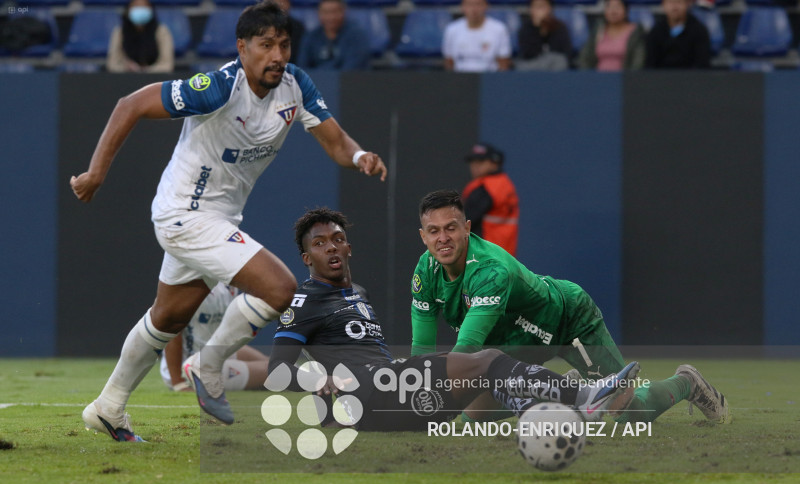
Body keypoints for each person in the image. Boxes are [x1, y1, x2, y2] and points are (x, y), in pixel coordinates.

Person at [72, 1, 387, 442]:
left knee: (166, 319)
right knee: (280, 289)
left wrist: (358, 156)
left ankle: (107, 407)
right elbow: (131, 103)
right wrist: (96, 173)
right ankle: (209, 363)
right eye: (266, 45)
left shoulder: (295, 86)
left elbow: (335, 143)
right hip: (185, 213)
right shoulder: (218, 87)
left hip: (216, 217)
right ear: (243, 47)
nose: (277, 55)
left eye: (284, 44)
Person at [268, 207, 640, 431]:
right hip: (374, 393)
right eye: (319, 243)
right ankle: (585, 397)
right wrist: (319, 380)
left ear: (349, 246)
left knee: (484, 376)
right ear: (306, 258)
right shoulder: (305, 299)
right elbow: (276, 373)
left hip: (388, 387)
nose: (331, 247)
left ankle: (551, 407)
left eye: (337, 239)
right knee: (486, 360)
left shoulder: (355, 294)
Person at [410, 190, 730, 425]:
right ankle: (569, 390)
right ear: (424, 237)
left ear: (467, 227)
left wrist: (421, 399)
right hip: (514, 348)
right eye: (434, 231)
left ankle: (687, 382)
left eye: (451, 227)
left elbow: (466, 350)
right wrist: (411, 394)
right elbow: (421, 350)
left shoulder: (490, 270)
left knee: (626, 413)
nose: (443, 238)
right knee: (467, 420)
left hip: (568, 323)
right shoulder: (426, 271)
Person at [160, 283, 270, 392]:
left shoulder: (229, 282)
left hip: (215, 350)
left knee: (274, 363)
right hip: (194, 367)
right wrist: (178, 383)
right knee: (275, 371)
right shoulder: (190, 282)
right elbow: (172, 329)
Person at [461, 143, 518, 256]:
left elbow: (464, 220)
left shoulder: (485, 188)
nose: (475, 166)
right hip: (505, 255)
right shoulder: (505, 183)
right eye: (473, 162)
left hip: (485, 254)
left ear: (494, 163)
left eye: (481, 162)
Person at [297, 0, 370, 71]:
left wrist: (320, 73)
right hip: (315, 82)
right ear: (318, 13)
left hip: (349, 82)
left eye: (335, 12)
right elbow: (302, 68)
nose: (330, 17)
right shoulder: (311, 37)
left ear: (343, 12)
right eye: (325, 12)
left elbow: (351, 70)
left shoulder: (357, 36)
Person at [442, 0, 512, 73]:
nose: (474, 9)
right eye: (469, 5)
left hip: (489, 78)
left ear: (486, 6)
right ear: (462, 7)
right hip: (460, 78)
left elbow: (503, 62)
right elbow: (449, 61)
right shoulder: (452, 30)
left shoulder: (499, 29)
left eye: (478, 4)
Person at [107, 0, 174, 73]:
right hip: (125, 78)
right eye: (136, 6)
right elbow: (112, 64)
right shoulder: (119, 32)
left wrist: (146, 70)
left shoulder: (162, 31)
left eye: (144, 6)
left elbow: (167, 65)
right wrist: (126, 68)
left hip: (156, 79)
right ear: (128, 10)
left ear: (151, 10)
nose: (140, 9)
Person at [578, 0, 646, 71]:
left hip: (624, 79)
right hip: (598, 78)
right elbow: (585, 57)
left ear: (626, 10)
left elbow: (638, 62)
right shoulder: (598, 29)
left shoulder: (636, 32)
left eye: (617, 7)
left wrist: (630, 78)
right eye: (609, 6)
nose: (613, 11)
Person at [645, 0, 711, 69]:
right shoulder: (656, 31)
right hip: (661, 77)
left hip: (691, 77)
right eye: (670, 2)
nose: (675, 7)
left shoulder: (699, 30)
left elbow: (702, 64)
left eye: (679, 2)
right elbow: (650, 64)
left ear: (687, 4)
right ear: (663, 5)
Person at [517, 0, 571, 71]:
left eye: (542, 6)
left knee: (560, 61)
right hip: (532, 64)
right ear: (531, 9)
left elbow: (564, 52)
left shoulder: (559, 26)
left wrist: (546, 28)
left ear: (550, 8)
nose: (539, 10)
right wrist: (537, 28)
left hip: (554, 65)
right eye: (536, 7)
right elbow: (528, 53)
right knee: (520, 66)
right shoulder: (526, 28)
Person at [276, 0, 305, 64]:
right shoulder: (259, 27)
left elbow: (301, 57)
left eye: (283, 2)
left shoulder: (298, 27)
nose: (279, 5)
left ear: (289, 4)